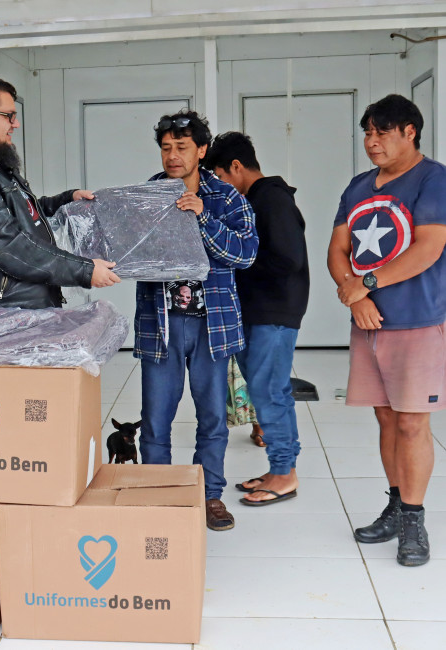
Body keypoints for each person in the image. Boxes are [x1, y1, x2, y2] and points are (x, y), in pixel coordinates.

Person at [327, 94, 446, 567]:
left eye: (381, 132)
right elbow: (337, 248)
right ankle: (396, 505)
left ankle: (414, 520)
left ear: (409, 132)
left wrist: (366, 284)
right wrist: (354, 295)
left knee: (413, 421)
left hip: (417, 319)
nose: (371, 141)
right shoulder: (359, 186)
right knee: (385, 418)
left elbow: (429, 247)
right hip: (368, 320)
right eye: (367, 132)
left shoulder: (432, 178)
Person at [135, 111, 257, 531]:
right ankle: (157, 496)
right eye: (166, 147)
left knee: (212, 419)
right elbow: (129, 251)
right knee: (155, 418)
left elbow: (246, 253)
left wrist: (203, 215)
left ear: (201, 151)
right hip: (161, 322)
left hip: (212, 325)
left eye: (182, 148)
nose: (172, 156)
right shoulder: (146, 196)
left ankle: (210, 496)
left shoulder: (225, 197)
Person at [0, 75, 120, 313]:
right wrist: (85, 270)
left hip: (18, 312)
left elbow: (16, 213)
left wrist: (63, 201)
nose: (15, 123)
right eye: (8, 115)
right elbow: (11, 247)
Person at [204, 131, 310, 506]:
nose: (216, 186)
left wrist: (239, 263)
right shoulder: (258, 199)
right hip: (260, 311)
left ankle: (284, 474)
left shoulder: (271, 199)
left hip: (274, 312)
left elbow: (289, 259)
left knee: (269, 392)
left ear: (236, 167)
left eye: (217, 176)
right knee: (268, 392)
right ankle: (280, 467)